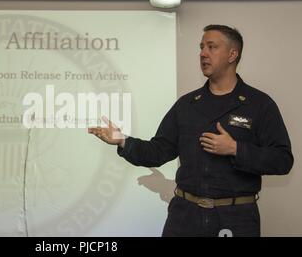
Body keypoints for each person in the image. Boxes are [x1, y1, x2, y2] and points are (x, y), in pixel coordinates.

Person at [88, 24, 293, 237]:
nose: (203, 53)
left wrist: (236, 148)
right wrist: (123, 140)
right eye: (201, 47)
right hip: (184, 217)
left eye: (211, 47)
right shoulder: (187, 104)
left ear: (232, 54)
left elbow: (283, 160)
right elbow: (159, 150)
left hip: (235, 219)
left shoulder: (259, 104)